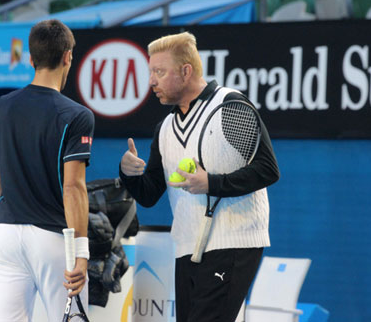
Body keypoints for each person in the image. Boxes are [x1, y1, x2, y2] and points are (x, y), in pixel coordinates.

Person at [119, 32, 280, 322]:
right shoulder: (165, 127)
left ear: (186, 71)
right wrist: (129, 174)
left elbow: (268, 169)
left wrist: (212, 183)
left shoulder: (230, 105)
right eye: (151, 72)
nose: (151, 81)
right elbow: (149, 193)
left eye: (159, 72)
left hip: (234, 241)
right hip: (188, 246)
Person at [0, 19, 94, 321]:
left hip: (6, 236)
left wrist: (23, 201)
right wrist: (81, 252)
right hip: (54, 241)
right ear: (67, 57)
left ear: (31, 59)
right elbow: (73, 188)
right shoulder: (77, 116)